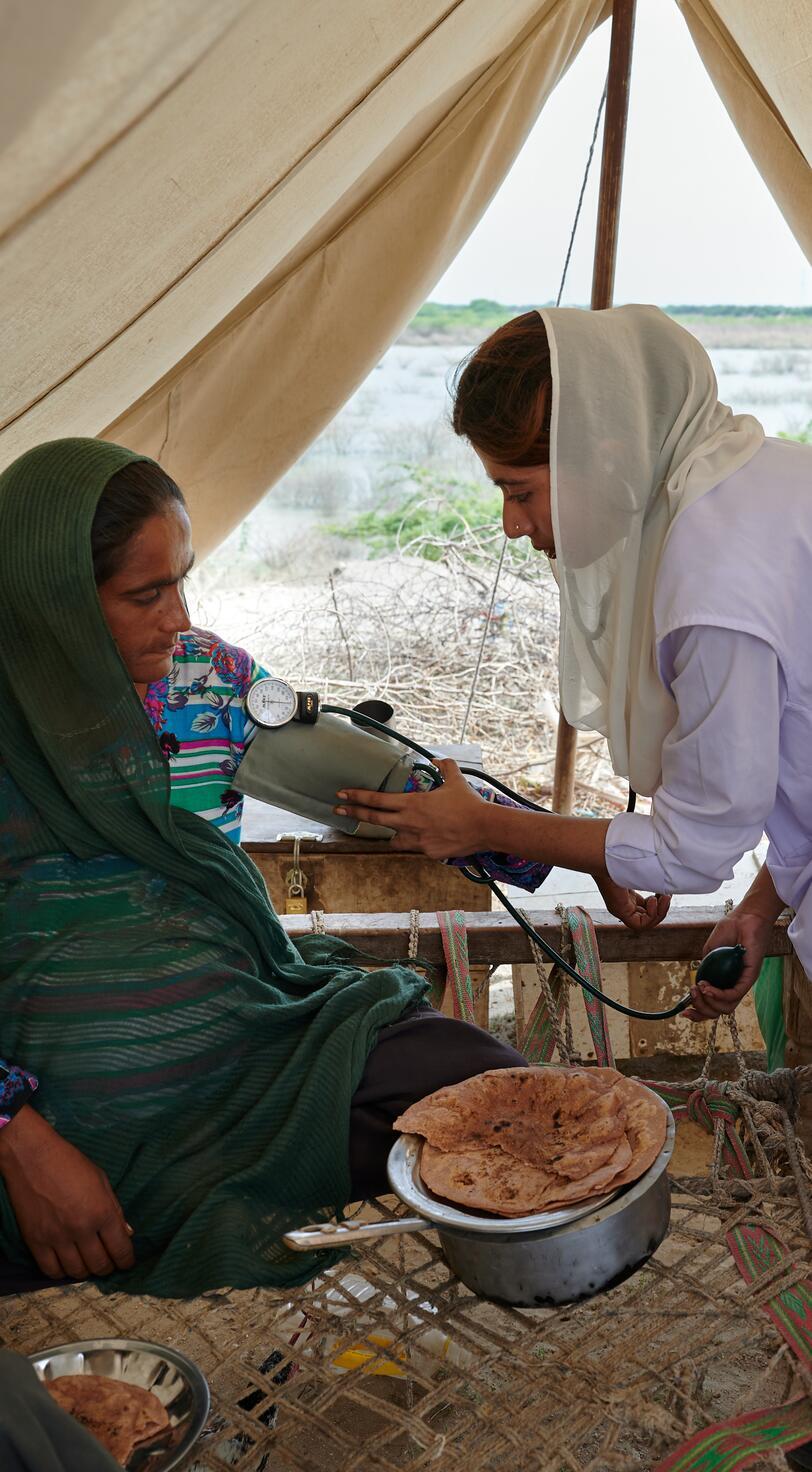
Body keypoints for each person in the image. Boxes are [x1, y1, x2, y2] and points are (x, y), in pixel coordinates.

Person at [0, 437, 527, 1299]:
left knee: (481, 1085)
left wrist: (533, 841)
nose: (180, 617)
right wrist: (18, 1138)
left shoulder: (201, 679)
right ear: (50, 602)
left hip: (247, 1045)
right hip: (46, 1120)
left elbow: (376, 785)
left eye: (182, 579)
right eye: (146, 594)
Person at [335, 306, 812, 1070]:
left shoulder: (714, 581)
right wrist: (765, 904)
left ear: (605, 453)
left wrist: (486, 826)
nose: (510, 526)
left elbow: (692, 852)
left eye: (519, 490)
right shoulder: (764, 474)